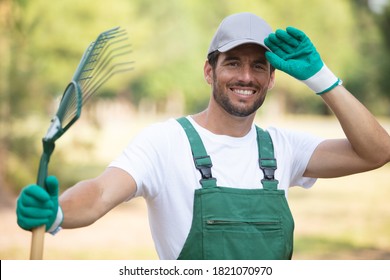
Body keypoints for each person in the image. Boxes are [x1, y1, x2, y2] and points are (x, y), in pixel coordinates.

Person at [16, 12, 390, 260]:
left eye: (258, 66)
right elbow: (100, 192)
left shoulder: (283, 147)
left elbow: (376, 152)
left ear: (272, 78)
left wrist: (321, 78)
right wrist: (59, 210)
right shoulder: (164, 142)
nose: (246, 76)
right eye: (232, 63)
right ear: (209, 72)